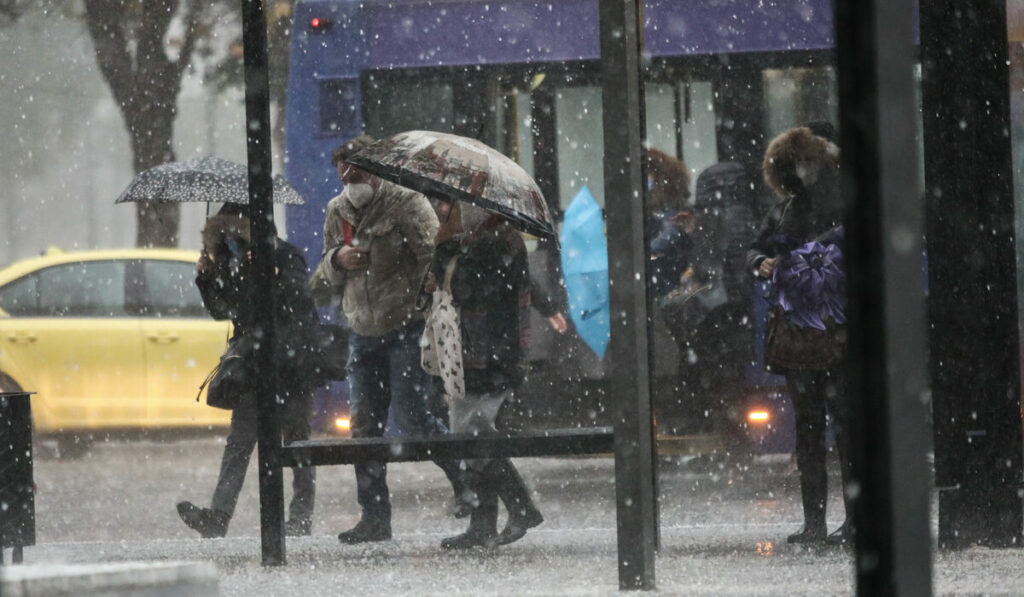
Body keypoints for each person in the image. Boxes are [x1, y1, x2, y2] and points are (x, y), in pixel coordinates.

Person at [313, 135, 470, 544]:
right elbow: (322, 275)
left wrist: (430, 284)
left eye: (359, 170)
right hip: (361, 333)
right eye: (343, 171)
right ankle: (375, 517)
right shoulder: (337, 210)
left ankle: (465, 480)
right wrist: (337, 260)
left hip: (404, 327)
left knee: (413, 415)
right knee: (364, 427)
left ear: (377, 170)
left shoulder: (406, 203)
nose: (350, 178)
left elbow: (434, 254)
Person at [177, 205, 319, 538]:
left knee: (296, 441)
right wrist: (206, 277)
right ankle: (218, 516)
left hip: (291, 364)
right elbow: (225, 311)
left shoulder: (285, 255)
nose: (232, 237)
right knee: (239, 442)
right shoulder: (234, 260)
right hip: (251, 365)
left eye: (236, 229)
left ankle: (300, 517)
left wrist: (271, 274)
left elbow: (298, 303)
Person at [746, 122, 852, 545]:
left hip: (821, 329)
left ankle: (823, 523)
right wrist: (762, 262)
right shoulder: (790, 207)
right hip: (817, 330)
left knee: (824, 429)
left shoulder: (831, 203)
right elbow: (756, 248)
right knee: (825, 429)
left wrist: (774, 260)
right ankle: (822, 522)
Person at [424, 200, 543, 549]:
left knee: (472, 435)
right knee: (474, 436)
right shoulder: (472, 239)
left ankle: (520, 507)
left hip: (491, 355)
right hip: (469, 354)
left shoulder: (497, 241)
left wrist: (444, 253)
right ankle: (483, 523)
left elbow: (476, 292)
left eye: (450, 203)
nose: (442, 209)